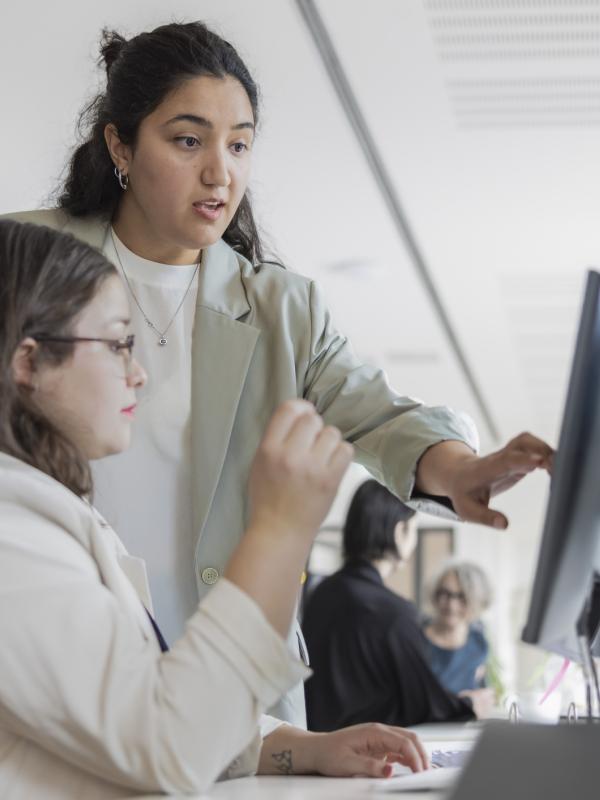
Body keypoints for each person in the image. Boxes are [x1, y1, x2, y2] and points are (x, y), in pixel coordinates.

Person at [3, 20, 553, 727]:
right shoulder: (28, 263)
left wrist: (461, 470)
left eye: (239, 144)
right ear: (120, 144)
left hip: (235, 689)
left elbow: (377, 413)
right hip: (60, 663)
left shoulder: (280, 309)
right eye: (187, 140)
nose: (220, 172)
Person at [0, 219, 433, 798]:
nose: (138, 372)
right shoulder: (12, 532)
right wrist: (277, 530)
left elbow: (125, 711)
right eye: (117, 343)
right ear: (27, 363)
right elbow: (166, 744)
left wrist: (297, 748)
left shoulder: (41, 512)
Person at [303, 480, 494, 731]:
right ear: (400, 531)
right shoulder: (393, 612)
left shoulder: (322, 594)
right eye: (413, 529)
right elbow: (421, 703)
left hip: (314, 747)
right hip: (364, 754)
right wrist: (469, 705)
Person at [423, 562, 493, 694]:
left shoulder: (478, 641)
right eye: (445, 594)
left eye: (462, 597)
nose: (451, 605)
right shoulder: (415, 639)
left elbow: (481, 689)